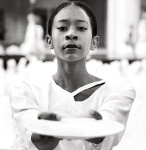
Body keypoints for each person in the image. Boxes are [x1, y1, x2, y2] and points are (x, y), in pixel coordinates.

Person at [9, 1, 136, 150]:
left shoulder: (118, 91)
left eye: (81, 28)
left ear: (94, 43)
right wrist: (41, 134)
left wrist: (96, 127)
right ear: (49, 41)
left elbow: (107, 128)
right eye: (62, 28)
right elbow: (32, 135)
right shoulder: (24, 90)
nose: (71, 34)